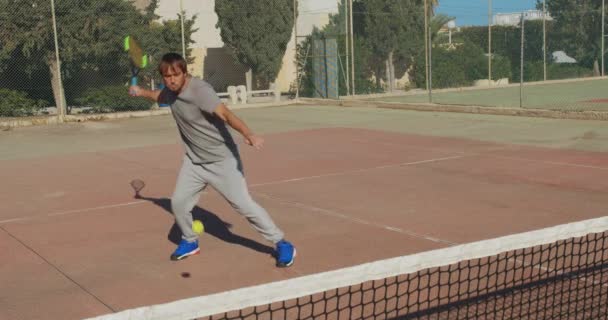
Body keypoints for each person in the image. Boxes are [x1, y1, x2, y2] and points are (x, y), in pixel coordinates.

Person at [129, 52, 296, 267]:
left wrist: (249, 134)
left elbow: (225, 114)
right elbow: (160, 96)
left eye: (176, 75)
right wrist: (141, 91)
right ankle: (190, 241)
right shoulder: (170, 92)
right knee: (178, 203)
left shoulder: (200, 91)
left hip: (222, 161)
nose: (171, 80)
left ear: (184, 73)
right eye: (167, 76)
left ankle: (282, 243)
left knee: (244, 205)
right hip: (194, 162)